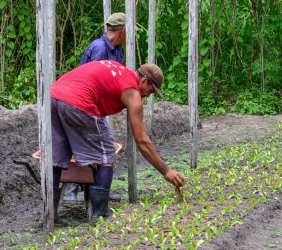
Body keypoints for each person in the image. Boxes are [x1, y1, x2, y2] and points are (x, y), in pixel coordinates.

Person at [50, 60, 184, 224]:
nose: (148, 95)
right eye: (151, 90)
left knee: (55, 157)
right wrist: (166, 171)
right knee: (106, 153)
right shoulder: (133, 92)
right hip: (79, 101)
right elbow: (141, 140)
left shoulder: (119, 70)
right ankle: (100, 215)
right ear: (143, 81)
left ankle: (50, 214)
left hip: (53, 96)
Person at [62, 12, 127, 203]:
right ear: (121, 31)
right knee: (94, 142)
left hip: (98, 106)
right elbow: (90, 82)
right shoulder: (99, 49)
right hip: (83, 105)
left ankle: (98, 189)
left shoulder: (118, 50)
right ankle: (74, 187)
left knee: (105, 143)